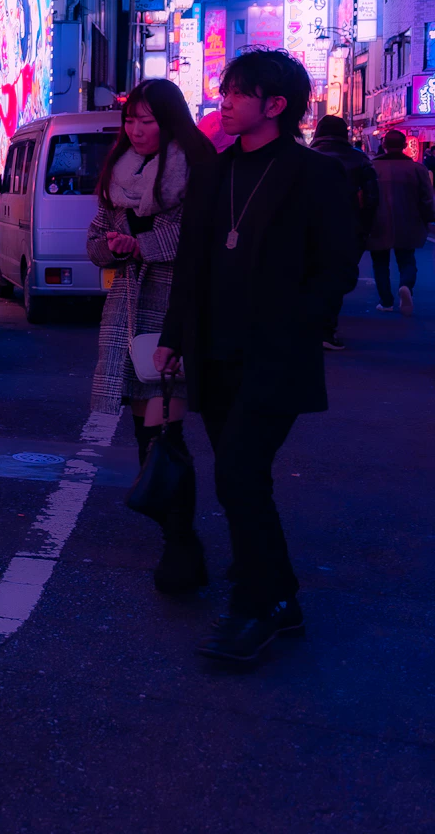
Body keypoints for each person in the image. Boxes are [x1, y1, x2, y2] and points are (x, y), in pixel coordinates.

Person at [157, 50, 358, 664]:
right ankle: (282, 598)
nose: (225, 99)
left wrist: (300, 325)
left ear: (276, 105)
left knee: (239, 474)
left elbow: (337, 269)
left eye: (239, 92)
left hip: (275, 355)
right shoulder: (215, 171)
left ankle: (256, 605)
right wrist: (171, 336)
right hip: (213, 351)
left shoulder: (315, 175)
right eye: (225, 88)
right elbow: (190, 263)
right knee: (245, 477)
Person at [85, 80, 214, 593]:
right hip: (129, 312)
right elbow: (95, 237)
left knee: (167, 436)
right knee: (146, 438)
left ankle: (183, 549)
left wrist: (140, 245)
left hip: (174, 311)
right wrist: (113, 245)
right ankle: (178, 538)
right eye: (130, 121)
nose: (136, 131)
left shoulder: (195, 169)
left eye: (148, 121)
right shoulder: (118, 173)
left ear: (170, 120)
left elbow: (196, 238)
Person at [309, 115, 377, 348]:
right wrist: (364, 228)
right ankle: (327, 330)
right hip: (347, 226)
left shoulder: (305, 157)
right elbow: (371, 198)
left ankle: (309, 326)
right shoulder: (360, 160)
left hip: (307, 224)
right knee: (336, 277)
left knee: (308, 273)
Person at [367, 130, 435, 316]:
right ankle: (406, 285)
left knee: (380, 263)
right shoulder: (417, 169)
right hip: (409, 219)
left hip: (378, 222)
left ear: (384, 145)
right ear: (405, 146)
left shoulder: (372, 167)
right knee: (407, 259)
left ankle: (386, 301)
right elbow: (427, 198)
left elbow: (365, 197)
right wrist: (428, 217)